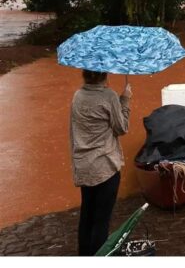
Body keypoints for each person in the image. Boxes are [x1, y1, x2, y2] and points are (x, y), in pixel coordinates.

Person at [70, 69, 131, 255]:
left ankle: (84, 256)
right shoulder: (109, 96)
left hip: (84, 166)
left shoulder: (78, 96)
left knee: (87, 215)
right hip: (105, 167)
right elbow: (122, 128)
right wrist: (126, 99)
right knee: (101, 220)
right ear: (105, 74)